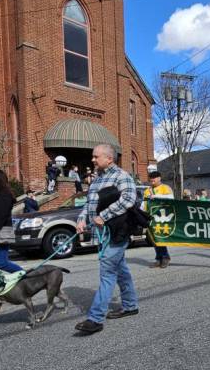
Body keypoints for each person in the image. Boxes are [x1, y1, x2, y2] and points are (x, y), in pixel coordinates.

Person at [75, 144, 139, 335]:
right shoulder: (96, 180)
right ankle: (130, 305)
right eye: (93, 157)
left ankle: (95, 318)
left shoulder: (122, 176)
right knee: (121, 271)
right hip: (102, 235)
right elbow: (89, 204)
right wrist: (81, 219)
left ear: (109, 158)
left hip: (117, 233)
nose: (93, 160)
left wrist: (104, 215)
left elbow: (129, 199)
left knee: (108, 272)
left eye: (96, 157)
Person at [142, 171, 174, 269]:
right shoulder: (147, 190)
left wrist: (155, 196)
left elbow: (171, 198)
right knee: (153, 239)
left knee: (160, 237)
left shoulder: (165, 188)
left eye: (154, 178)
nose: (152, 180)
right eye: (151, 178)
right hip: (151, 217)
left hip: (163, 217)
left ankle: (165, 257)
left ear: (159, 178)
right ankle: (159, 258)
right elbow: (144, 203)